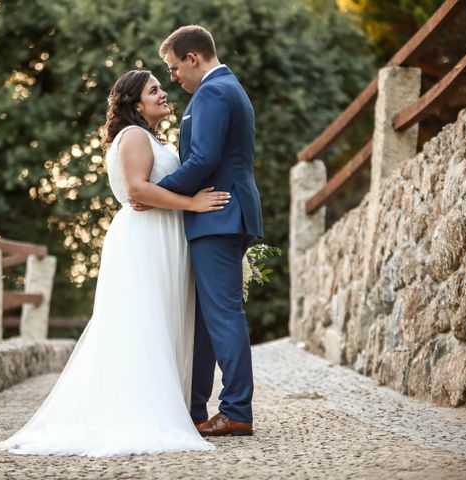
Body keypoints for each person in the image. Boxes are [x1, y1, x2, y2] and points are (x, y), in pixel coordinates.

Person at [0, 69, 229, 456]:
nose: (163, 94)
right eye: (154, 90)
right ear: (136, 104)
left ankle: (166, 403)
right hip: (147, 237)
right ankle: (143, 410)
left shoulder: (147, 136)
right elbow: (137, 189)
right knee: (144, 319)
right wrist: (192, 203)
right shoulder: (133, 136)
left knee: (159, 318)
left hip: (162, 234)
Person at [145, 25, 263, 436]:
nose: (173, 78)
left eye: (175, 68)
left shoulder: (213, 91)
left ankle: (237, 410)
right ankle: (196, 407)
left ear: (193, 58)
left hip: (218, 214)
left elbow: (203, 159)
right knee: (208, 317)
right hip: (221, 215)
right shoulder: (225, 88)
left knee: (223, 313)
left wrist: (154, 193)